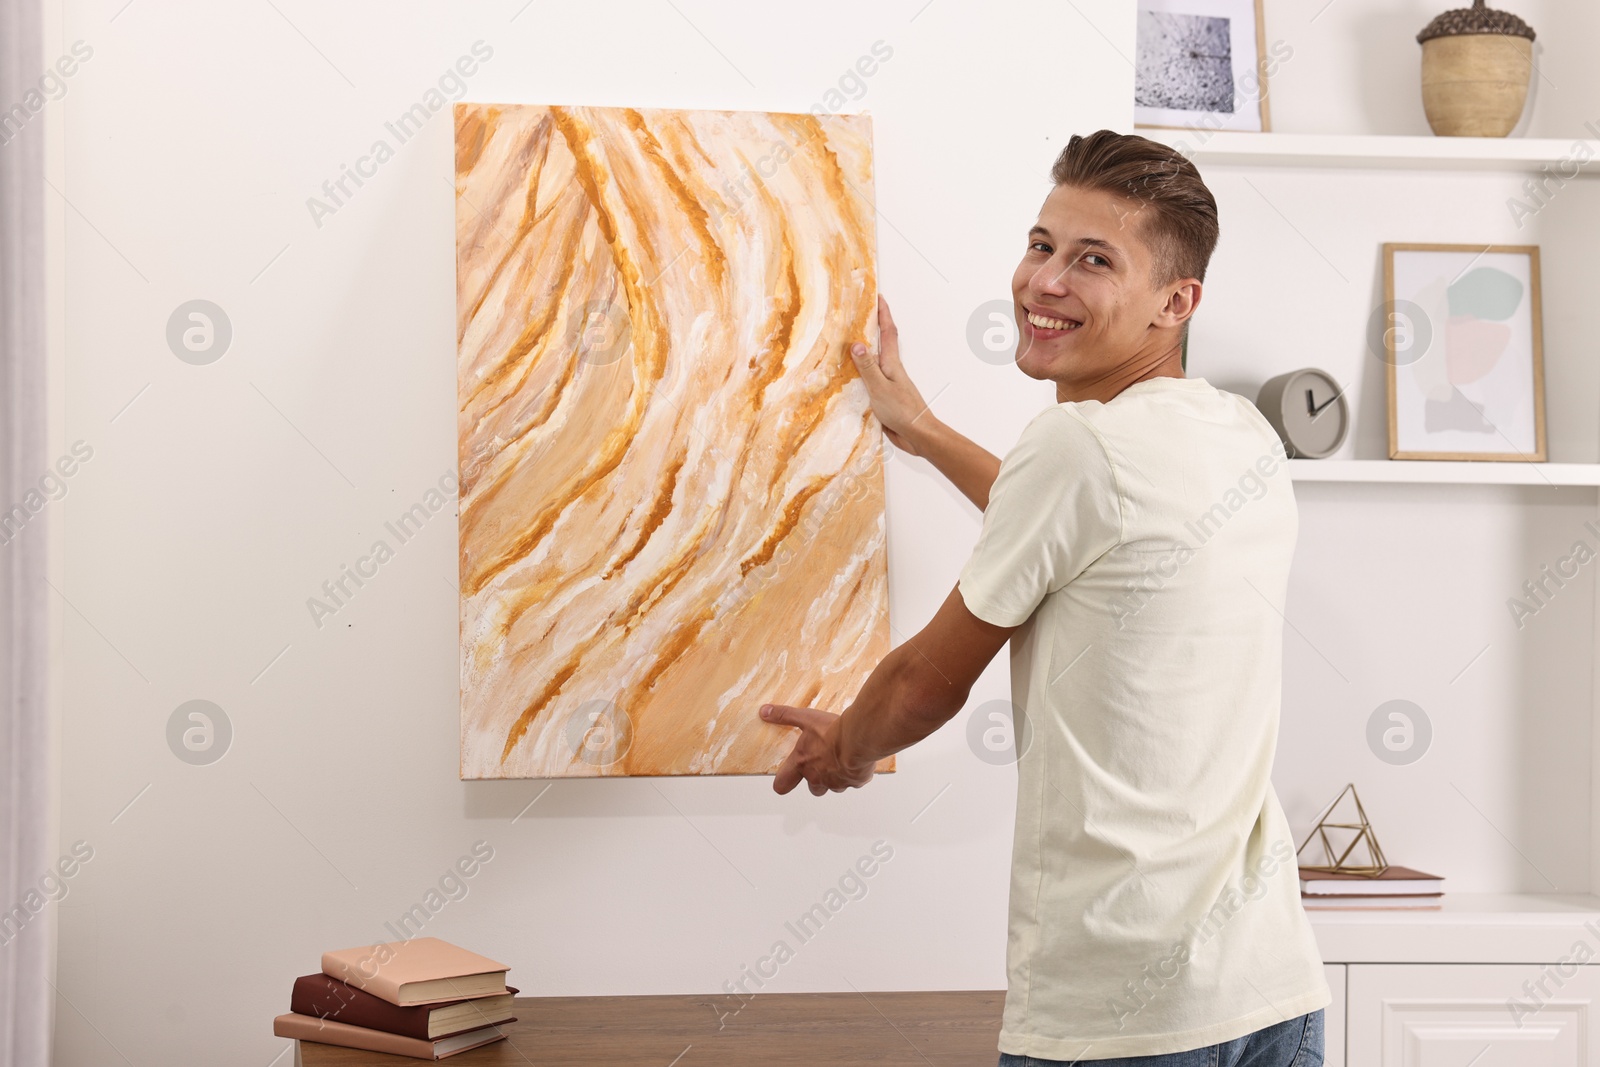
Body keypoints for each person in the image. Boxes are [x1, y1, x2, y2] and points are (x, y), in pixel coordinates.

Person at [758, 130, 1329, 1066]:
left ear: (1173, 303)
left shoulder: (1073, 453)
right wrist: (926, 430)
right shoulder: (1239, 436)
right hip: (1269, 994)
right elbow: (1085, 537)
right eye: (1040, 244)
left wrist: (847, 747)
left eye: (1093, 260)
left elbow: (921, 685)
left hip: (1123, 1021)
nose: (1043, 281)